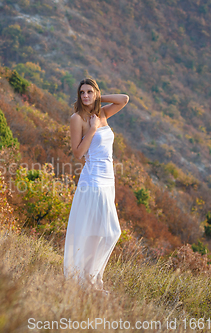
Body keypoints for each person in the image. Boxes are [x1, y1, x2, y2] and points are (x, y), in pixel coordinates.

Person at [63, 78, 129, 294]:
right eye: (82, 92)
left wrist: (99, 99)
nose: (85, 96)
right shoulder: (77, 119)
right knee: (110, 231)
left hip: (108, 179)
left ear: (96, 93)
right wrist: (91, 130)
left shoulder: (102, 113)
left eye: (89, 92)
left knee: (100, 232)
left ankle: (91, 279)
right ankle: (88, 278)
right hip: (93, 180)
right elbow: (78, 153)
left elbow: (124, 99)